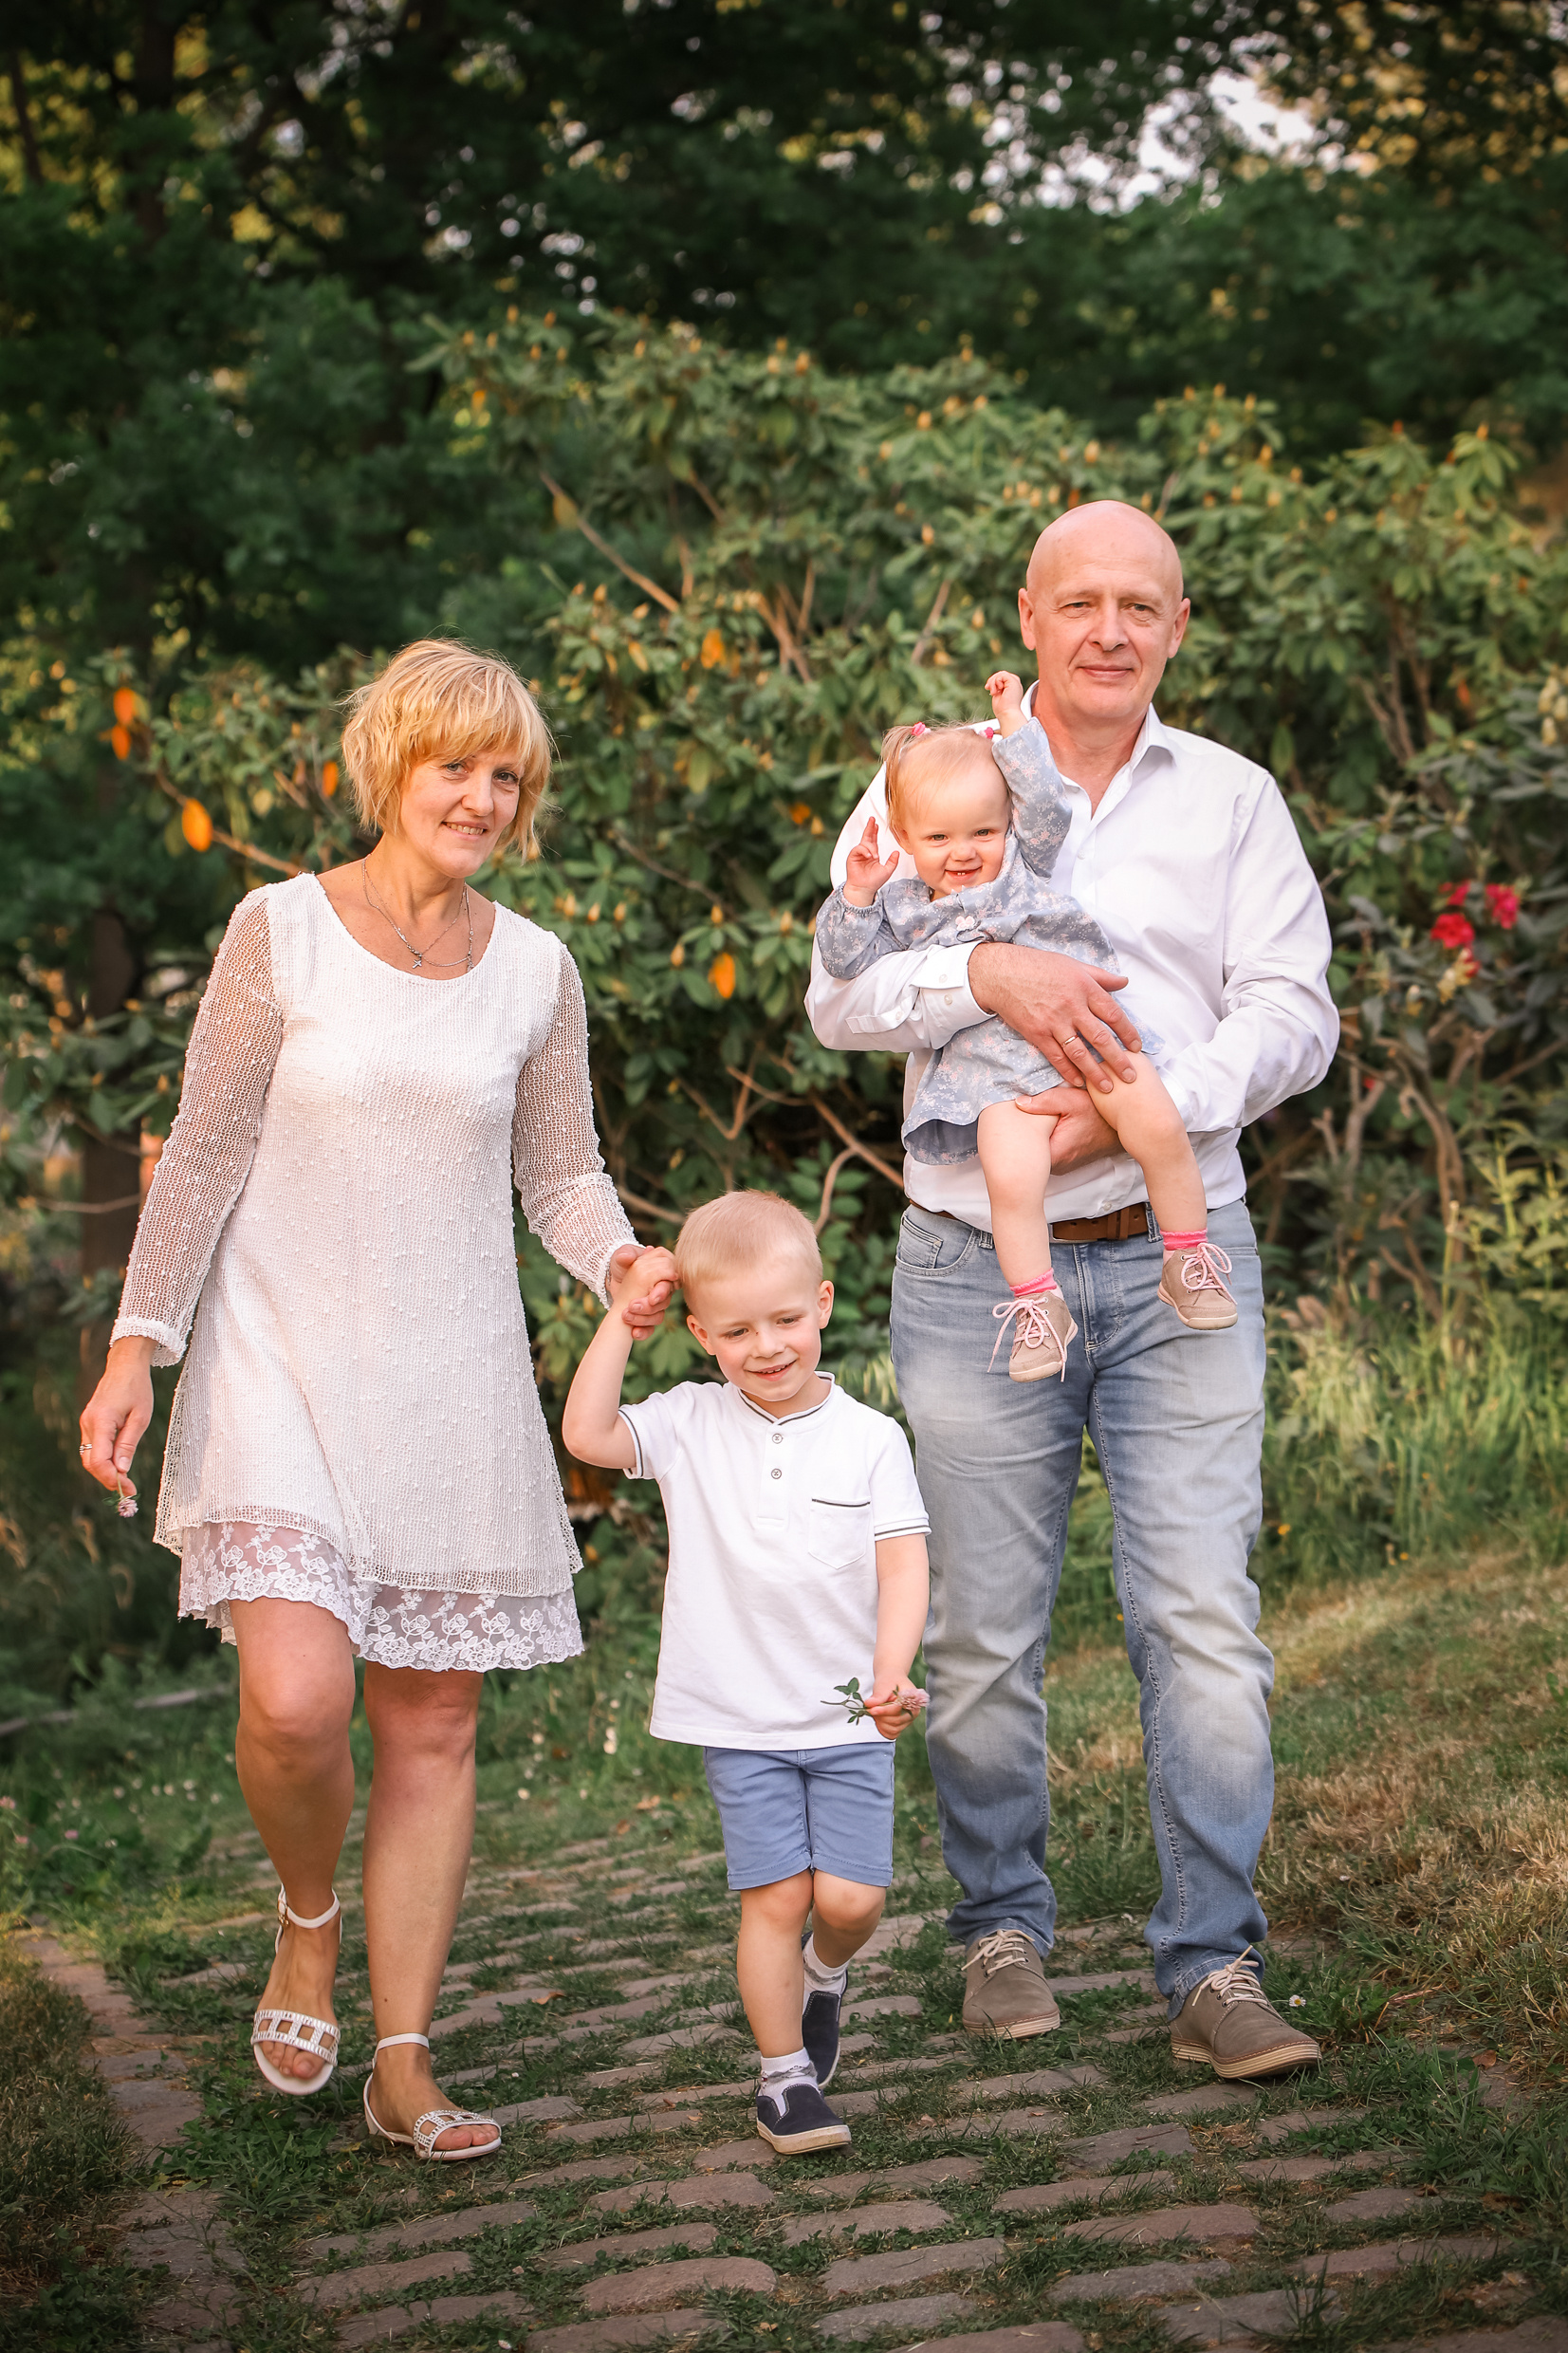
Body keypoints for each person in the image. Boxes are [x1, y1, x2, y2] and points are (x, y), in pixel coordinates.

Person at [78, 639, 670, 2160]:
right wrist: (140, 1342)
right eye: (454, 766)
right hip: (278, 1359)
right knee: (291, 1698)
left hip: (452, 1377)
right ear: (390, 767)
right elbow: (202, 1152)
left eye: (506, 777)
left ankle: (403, 2055)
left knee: (432, 1724)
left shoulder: (538, 968)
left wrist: (619, 1267)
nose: (480, 797)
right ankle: (304, 1917)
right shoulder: (276, 929)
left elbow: (560, 1172)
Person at [805, 502, 1338, 2080]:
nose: (1108, 628)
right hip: (976, 1262)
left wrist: (1149, 1094)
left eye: (1140, 605)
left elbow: (1292, 1009)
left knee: (1198, 1618)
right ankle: (996, 1931)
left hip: (1183, 1257)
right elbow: (837, 987)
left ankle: (1211, 1966)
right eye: (1078, 601)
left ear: (1175, 629)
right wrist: (978, 973)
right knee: (977, 1633)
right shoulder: (932, 781)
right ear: (1027, 619)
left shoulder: (1232, 801)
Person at [562, 1191, 931, 2153]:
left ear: (822, 1302)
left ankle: (826, 1970)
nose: (765, 1345)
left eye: (784, 1319)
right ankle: (783, 2077)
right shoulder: (688, 1422)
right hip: (740, 1716)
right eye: (735, 1329)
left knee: (851, 1902)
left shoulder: (871, 1438)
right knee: (772, 1896)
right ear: (699, 1333)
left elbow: (903, 1565)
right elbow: (588, 1433)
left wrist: (893, 1671)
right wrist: (619, 1317)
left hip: (851, 1713)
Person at [816, 669, 1235, 1383]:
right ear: (906, 839)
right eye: (940, 836)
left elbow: (1043, 801)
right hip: (992, 1079)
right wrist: (856, 892)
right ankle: (1037, 1306)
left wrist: (1011, 721)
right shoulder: (903, 905)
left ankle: (1186, 1255)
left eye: (982, 829)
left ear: (1005, 825)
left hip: (1092, 1043)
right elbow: (845, 963)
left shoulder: (1024, 863)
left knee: (1159, 1124)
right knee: (1010, 1180)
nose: (964, 850)